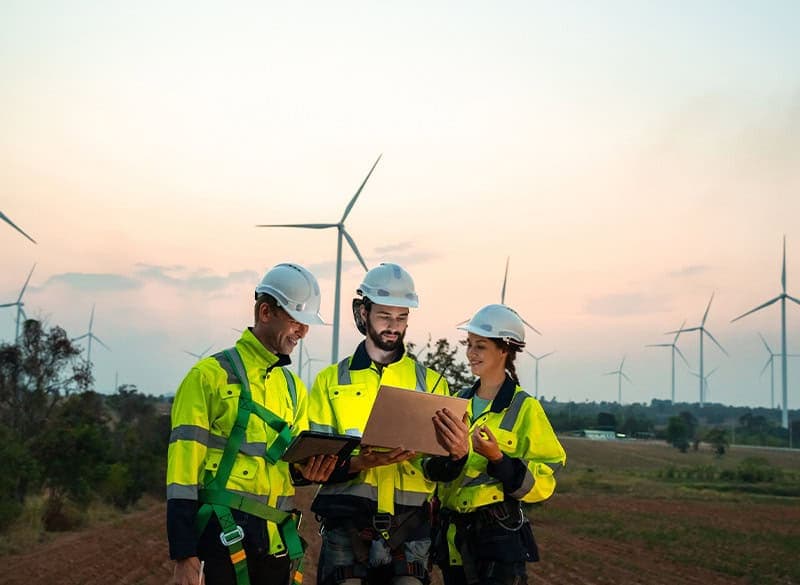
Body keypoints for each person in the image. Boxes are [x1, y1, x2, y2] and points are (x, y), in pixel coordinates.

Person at [167, 263, 338, 585]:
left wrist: (306, 471)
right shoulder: (208, 377)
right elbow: (181, 474)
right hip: (220, 539)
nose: (303, 332)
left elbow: (288, 465)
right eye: (296, 320)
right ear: (264, 312)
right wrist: (184, 555)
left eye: (306, 324)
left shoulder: (293, 388)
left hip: (275, 541)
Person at [308, 263, 470, 585]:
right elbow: (313, 464)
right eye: (384, 315)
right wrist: (360, 462)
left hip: (409, 529)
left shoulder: (433, 383)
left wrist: (457, 455)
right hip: (348, 526)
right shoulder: (330, 382)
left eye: (402, 317)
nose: (393, 326)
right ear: (362, 312)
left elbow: (437, 470)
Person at [432, 304, 566, 585]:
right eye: (469, 345)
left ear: (504, 349)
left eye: (480, 346)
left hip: (498, 539)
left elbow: (545, 480)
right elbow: (431, 464)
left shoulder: (525, 408)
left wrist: (499, 460)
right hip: (454, 538)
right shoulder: (455, 401)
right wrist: (451, 459)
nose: (470, 353)